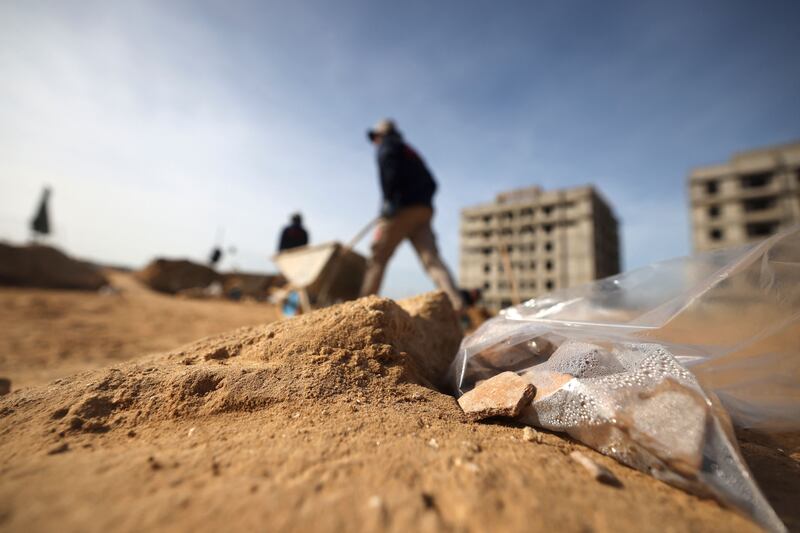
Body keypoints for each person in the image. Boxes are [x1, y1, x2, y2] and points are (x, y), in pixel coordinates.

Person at [360, 119, 464, 311]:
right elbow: (433, 183)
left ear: (381, 135)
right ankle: (457, 305)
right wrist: (422, 202)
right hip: (423, 211)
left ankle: (360, 310)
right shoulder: (410, 151)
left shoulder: (388, 146)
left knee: (378, 257)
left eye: (375, 138)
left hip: (401, 210)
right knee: (432, 260)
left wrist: (390, 200)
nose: (375, 142)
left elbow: (389, 173)